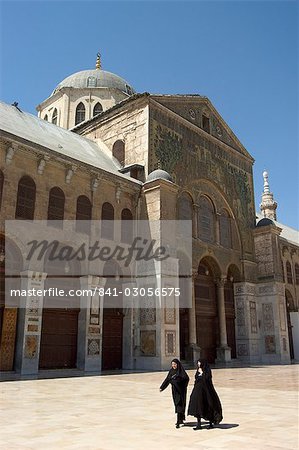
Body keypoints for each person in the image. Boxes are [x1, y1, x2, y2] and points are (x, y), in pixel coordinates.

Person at [187, 359, 223, 430]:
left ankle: (210, 423)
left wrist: (202, 373)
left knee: (208, 405)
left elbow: (207, 379)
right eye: (198, 363)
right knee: (198, 406)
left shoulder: (207, 370)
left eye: (199, 363)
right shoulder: (198, 370)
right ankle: (198, 424)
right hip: (198, 391)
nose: (198, 364)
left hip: (207, 391)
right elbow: (196, 379)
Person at [160, 358, 190, 428]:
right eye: (172, 364)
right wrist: (162, 387)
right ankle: (181, 419)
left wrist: (179, 382)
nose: (173, 365)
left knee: (180, 404)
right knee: (177, 404)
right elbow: (167, 379)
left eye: (175, 364)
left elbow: (186, 379)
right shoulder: (171, 371)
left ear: (178, 364)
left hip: (181, 391)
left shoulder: (181, 371)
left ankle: (178, 421)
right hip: (174, 391)